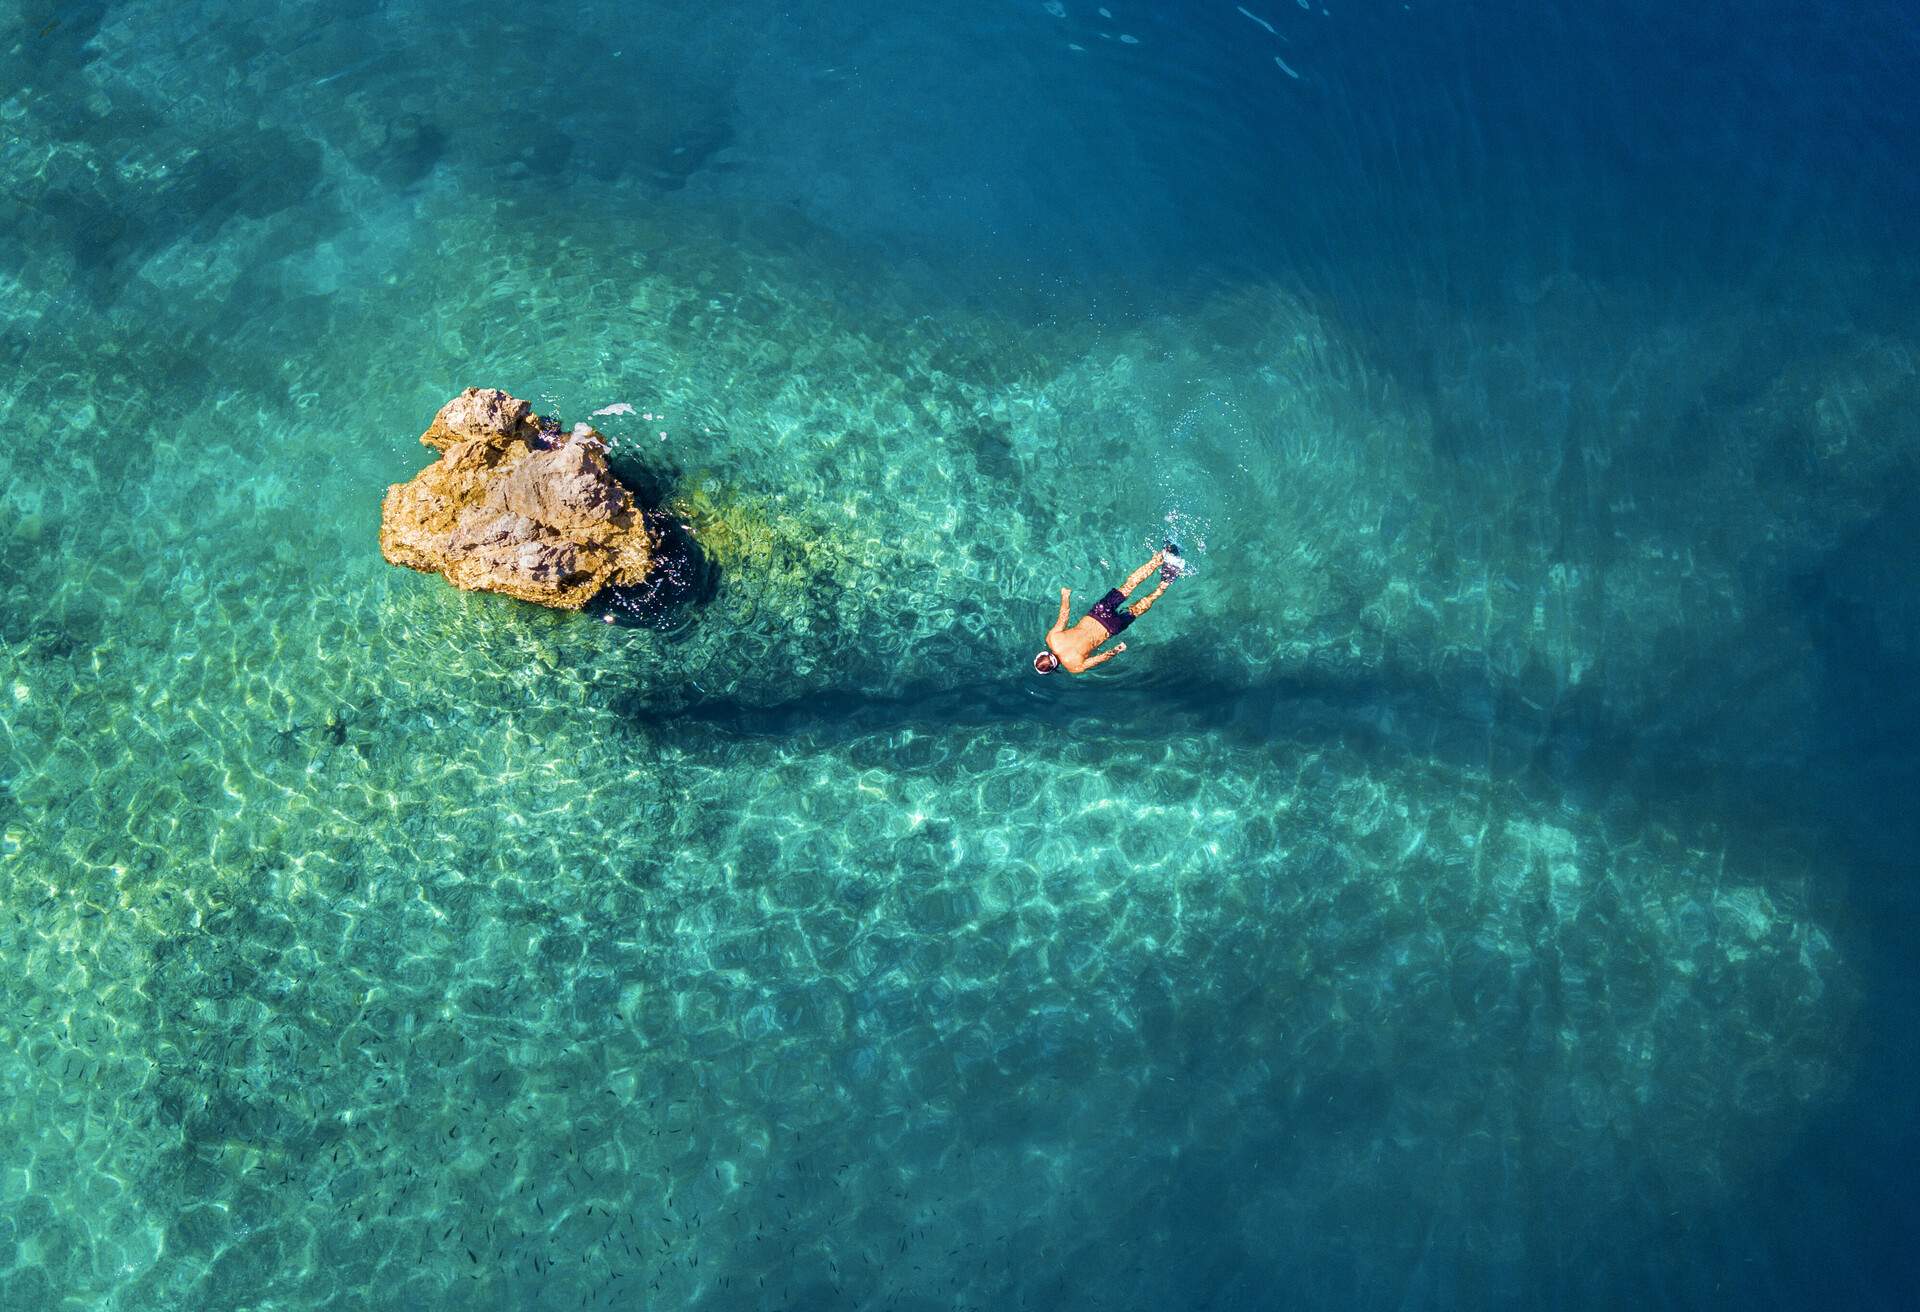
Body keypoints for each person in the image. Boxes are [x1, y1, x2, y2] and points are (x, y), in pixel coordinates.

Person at [1033, 544, 1183, 675]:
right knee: (1127, 586)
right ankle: (1160, 557)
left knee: (1137, 609)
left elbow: (1101, 657)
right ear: (1043, 653)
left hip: (1110, 627)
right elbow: (1064, 616)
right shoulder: (1052, 638)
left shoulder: (1074, 667)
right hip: (1098, 612)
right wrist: (1065, 596)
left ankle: (1165, 582)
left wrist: (1117, 649)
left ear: (1053, 669)